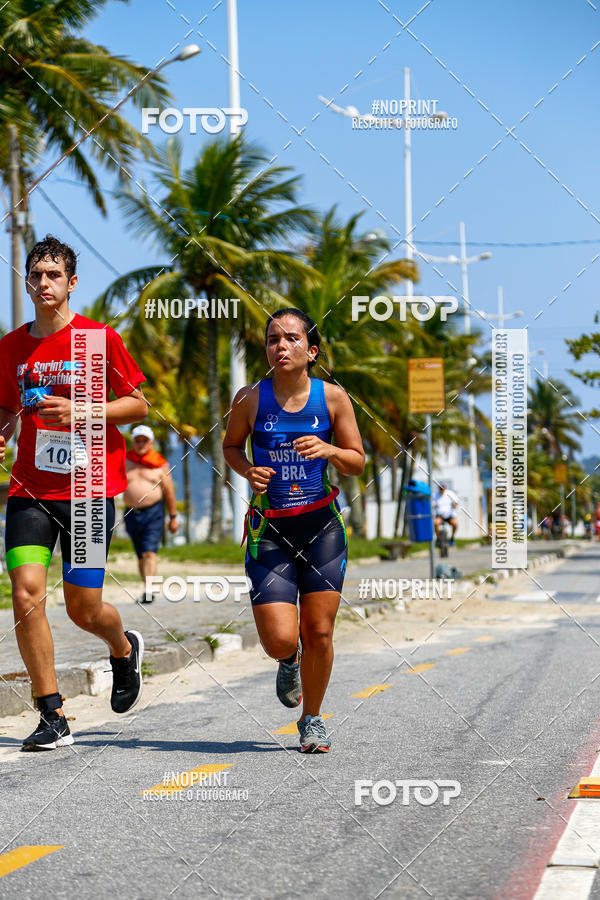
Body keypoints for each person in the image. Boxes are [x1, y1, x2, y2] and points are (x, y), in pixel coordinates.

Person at [0, 235, 148, 751]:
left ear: (72, 283)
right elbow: (6, 407)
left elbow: (138, 406)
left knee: (83, 609)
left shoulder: (98, 340)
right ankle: (51, 712)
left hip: (88, 489)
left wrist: (84, 411)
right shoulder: (13, 346)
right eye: (35, 274)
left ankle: (123, 646)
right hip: (29, 488)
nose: (43, 283)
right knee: (25, 596)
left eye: (53, 275)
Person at [223, 308, 365, 753]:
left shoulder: (334, 399)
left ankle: (313, 719)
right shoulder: (250, 399)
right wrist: (248, 470)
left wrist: (329, 448)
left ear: (311, 350)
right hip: (270, 531)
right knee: (281, 638)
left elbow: (357, 460)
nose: (280, 346)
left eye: (290, 338)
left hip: (321, 527)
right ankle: (288, 660)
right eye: (272, 340)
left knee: (319, 631)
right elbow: (230, 445)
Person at [123, 424, 179, 603]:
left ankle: (149, 589)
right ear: (133, 442)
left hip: (153, 512)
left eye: (144, 440)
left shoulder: (160, 464)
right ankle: (146, 585)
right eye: (137, 440)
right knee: (140, 554)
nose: (141, 444)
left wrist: (173, 517)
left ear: (151, 442)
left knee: (149, 552)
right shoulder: (125, 461)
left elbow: (169, 491)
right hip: (131, 512)